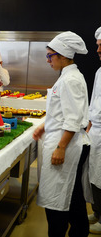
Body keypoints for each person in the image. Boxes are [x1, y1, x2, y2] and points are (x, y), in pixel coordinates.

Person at [32, 31, 91, 237]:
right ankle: (78, 232)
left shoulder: (70, 80)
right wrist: (45, 126)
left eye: (50, 56)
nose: (48, 60)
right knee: (72, 196)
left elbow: (73, 118)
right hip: (64, 141)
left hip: (68, 145)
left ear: (63, 55)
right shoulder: (67, 77)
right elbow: (61, 112)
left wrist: (61, 147)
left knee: (58, 199)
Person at [87, 26, 101, 234]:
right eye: (97, 45)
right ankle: (98, 212)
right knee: (94, 176)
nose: (98, 49)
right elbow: (94, 101)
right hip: (95, 131)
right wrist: (89, 124)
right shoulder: (99, 71)